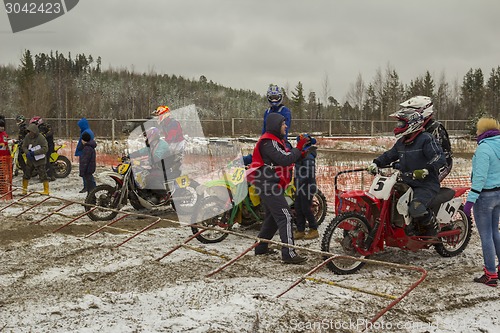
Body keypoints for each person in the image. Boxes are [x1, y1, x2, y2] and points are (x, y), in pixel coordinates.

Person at [368, 109, 446, 237]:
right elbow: (389, 155)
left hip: (425, 184)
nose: (398, 127)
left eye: (401, 124)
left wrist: (426, 170)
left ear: (412, 124)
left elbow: (438, 157)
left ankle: (432, 230)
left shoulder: (426, 139)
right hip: (406, 180)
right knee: (390, 202)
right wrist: (376, 163)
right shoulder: (402, 142)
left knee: (416, 208)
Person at [248, 112, 310, 264]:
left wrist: (300, 153)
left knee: (273, 219)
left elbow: (285, 155)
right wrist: (298, 148)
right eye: (283, 124)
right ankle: (289, 253)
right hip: (268, 184)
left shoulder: (276, 141)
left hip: (270, 183)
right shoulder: (268, 142)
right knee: (286, 216)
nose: (286, 126)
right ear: (276, 125)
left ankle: (261, 248)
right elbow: (284, 159)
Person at [463, 117, 500, 287]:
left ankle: (490, 274)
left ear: (483, 130)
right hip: (498, 194)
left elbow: (480, 177)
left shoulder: (484, 148)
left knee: (485, 235)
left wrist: (470, 201)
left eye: (478, 129)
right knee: (494, 232)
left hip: (485, 197)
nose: (476, 132)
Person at [399, 96, 453, 182]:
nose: (408, 112)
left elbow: (442, 155)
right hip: (418, 164)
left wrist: (428, 170)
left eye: (412, 109)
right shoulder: (412, 127)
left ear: (424, 109)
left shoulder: (435, 128)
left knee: (424, 185)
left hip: (441, 165)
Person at [293, 134, 319, 240]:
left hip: (307, 186)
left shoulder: (309, 155)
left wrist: (299, 180)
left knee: (306, 209)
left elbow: (309, 172)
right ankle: (300, 230)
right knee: (298, 208)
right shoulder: (302, 154)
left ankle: (314, 229)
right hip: (300, 186)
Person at [21, 123, 49, 195]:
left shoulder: (41, 138)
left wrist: (34, 153)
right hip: (30, 160)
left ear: (35, 132)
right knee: (26, 174)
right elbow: (24, 146)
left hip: (40, 159)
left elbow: (45, 148)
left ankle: (46, 190)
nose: (30, 133)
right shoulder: (27, 137)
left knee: (43, 174)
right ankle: (24, 189)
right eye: (29, 131)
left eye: (31, 132)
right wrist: (27, 152)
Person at [30, 116, 56, 181]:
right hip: (43, 146)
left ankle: (51, 175)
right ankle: (41, 174)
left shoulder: (45, 126)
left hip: (48, 146)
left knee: (45, 160)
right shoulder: (39, 128)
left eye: (34, 123)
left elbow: (50, 132)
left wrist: (44, 136)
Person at [75, 118, 95, 193]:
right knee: (88, 175)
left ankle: (89, 188)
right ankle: (89, 188)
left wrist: (79, 149)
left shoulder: (85, 133)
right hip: (84, 153)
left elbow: (82, 143)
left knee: (87, 174)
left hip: (84, 153)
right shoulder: (87, 131)